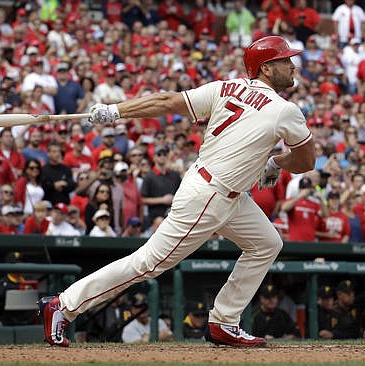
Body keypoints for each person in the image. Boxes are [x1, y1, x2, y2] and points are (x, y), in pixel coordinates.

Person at [38, 35, 315, 348]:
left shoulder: (226, 86)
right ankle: (63, 304)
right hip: (211, 195)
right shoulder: (285, 110)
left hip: (222, 190)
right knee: (149, 263)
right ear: (266, 68)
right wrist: (278, 161)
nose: (292, 66)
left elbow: (166, 101)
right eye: (285, 60)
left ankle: (224, 321)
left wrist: (118, 110)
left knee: (266, 243)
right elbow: (306, 161)